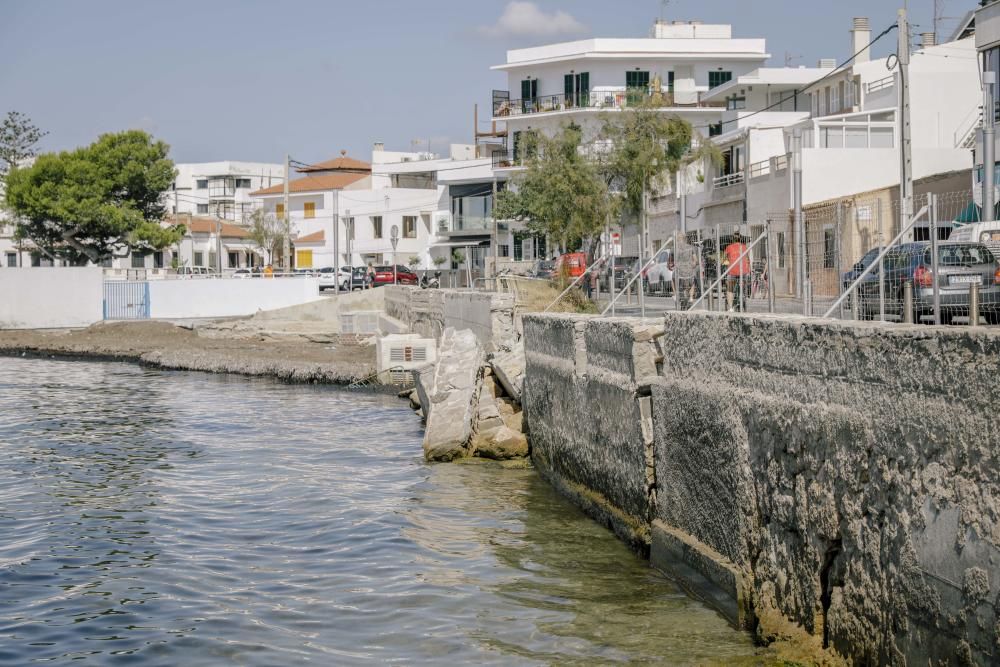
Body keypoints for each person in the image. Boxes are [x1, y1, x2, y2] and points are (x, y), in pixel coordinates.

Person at [724, 237, 751, 311]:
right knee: (744, 286)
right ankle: (744, 297)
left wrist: (726, 265)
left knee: (730, 289)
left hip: (732, 270)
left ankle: (730, 308)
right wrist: (749, 270)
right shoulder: (744, 247)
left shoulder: (729, 247)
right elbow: (748, 259)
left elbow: (724, 260)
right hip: (744, 270)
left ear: (732, 240)